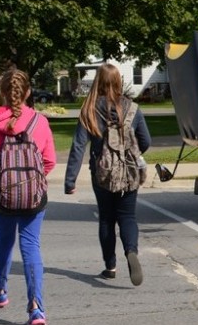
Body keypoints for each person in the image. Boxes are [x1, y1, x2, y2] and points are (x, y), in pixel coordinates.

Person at [0, 68, 56, 325]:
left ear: (2, 93)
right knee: (31, 246)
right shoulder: (39, 122)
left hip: (2, 197)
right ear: (28, 92)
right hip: (34, 197)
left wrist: (0, 180)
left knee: (4, 242)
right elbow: (50, 160)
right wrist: (32, 180)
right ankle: (36, 307)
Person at [64, 63, 151, 286]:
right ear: (118, 82)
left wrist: (70, 180)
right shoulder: (132, 108)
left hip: (101, 174)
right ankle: (131, 251)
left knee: (106, 219)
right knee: (128, 217)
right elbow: (146, 141)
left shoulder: (89, 109)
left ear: (98, 82)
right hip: (129, 172)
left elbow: (78, 146)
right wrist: (130, 154)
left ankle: (110, 266)